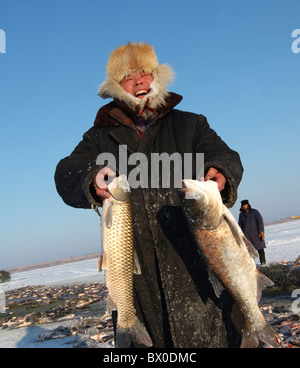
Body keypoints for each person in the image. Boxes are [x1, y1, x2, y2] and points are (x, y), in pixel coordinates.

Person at [55, 42, 244, 348]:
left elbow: (223, 154)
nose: (139, 81)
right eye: (129, 76)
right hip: (134, 281)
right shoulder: (99, 137)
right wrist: (91, 178)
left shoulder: (190, 124)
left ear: (157, 79)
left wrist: (220, 170)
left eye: (145, 73)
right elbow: (66, 172)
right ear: (117, 86)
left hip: (195, 270)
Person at [238, 200, 266, 265]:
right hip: (247, 236)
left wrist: (261, 231)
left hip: (256, 234)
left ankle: (263, 263)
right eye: (243, 205)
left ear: (248, 205)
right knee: (250, 252)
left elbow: (260, 222)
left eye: (245, 205)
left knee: (260, 249)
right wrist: (240, 234)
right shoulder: (241, 215)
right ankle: (253, 265)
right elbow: (240, 225)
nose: (244, 207)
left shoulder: (254, 212)